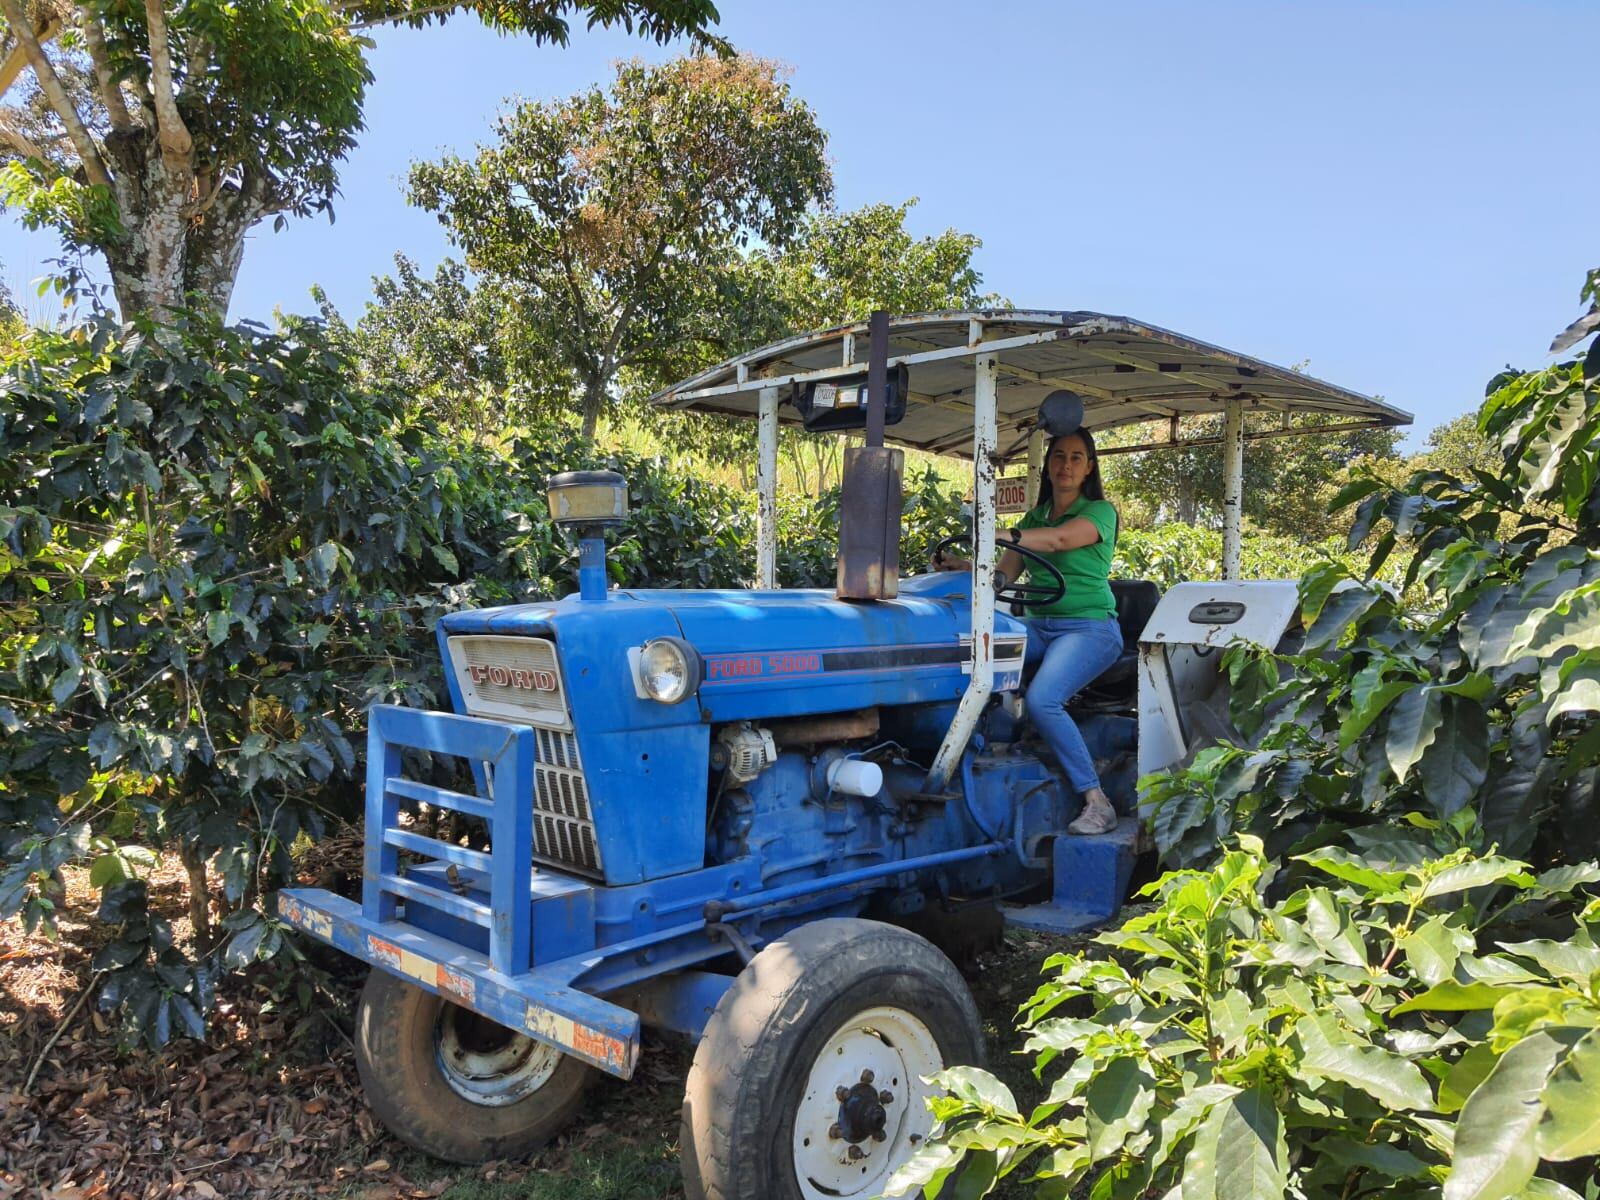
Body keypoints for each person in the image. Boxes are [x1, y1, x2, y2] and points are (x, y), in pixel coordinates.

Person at [936, 426, 1122, 834]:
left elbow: (1057, 541)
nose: (1066, 465)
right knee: (969, 659)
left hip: (1090, 629)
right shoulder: (1035, 518)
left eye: (1075, 457)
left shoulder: (1099, 512)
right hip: (1039, 626)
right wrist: (969, 568)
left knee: (1043, 699)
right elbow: (1004, 575)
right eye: (1058, 456)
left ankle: (1097, 800)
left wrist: (1000, 534)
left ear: (1089, 467)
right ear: (1048, 467)